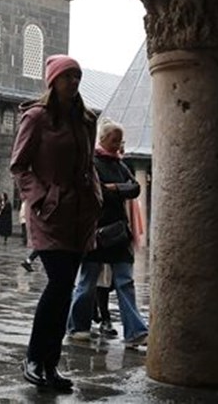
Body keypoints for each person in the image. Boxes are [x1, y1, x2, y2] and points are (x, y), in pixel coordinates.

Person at [12, 54, 102, 392]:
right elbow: (20, 166)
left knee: (65, 288)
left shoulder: (86, 120)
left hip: (80, 213)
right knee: (59, 283)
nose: (74, 82)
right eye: (67, 77)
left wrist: (95, 195)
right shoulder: (36, 118)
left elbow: (89, 163)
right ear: (53, 81)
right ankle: (35, 359)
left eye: (77, 76)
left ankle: (50, 364)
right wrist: (42, 198)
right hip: (50, 213)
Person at [66, 120, 147, 349]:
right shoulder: (91, 162)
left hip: (118, 233)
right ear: (102, 139)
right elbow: (95, 191)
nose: (118, 145)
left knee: (125, 281)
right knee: (87, 281)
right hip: (96, 230)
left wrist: (115, 189)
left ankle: (135, 331)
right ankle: (77, 326)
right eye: (115, 140)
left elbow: (135, 188)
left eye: (120, 141)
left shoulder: (120, 165)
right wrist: (116, 190)